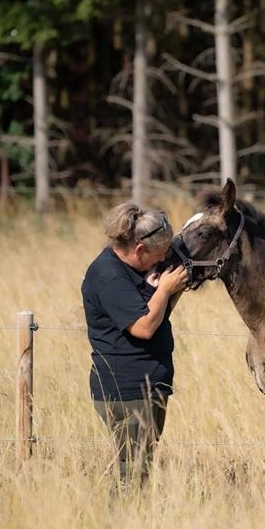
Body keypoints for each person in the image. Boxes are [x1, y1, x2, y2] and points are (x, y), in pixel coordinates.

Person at [81, 202, 189, 493]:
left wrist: (167, 290)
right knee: (133, 475)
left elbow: (156, 312)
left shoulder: (132, 270)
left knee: (140, 468)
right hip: (128, 391)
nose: (164, 257)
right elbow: (143, 327)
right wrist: (165, 289)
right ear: (140, 250)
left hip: (146, 388)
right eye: (159, 252)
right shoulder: (109, 277)